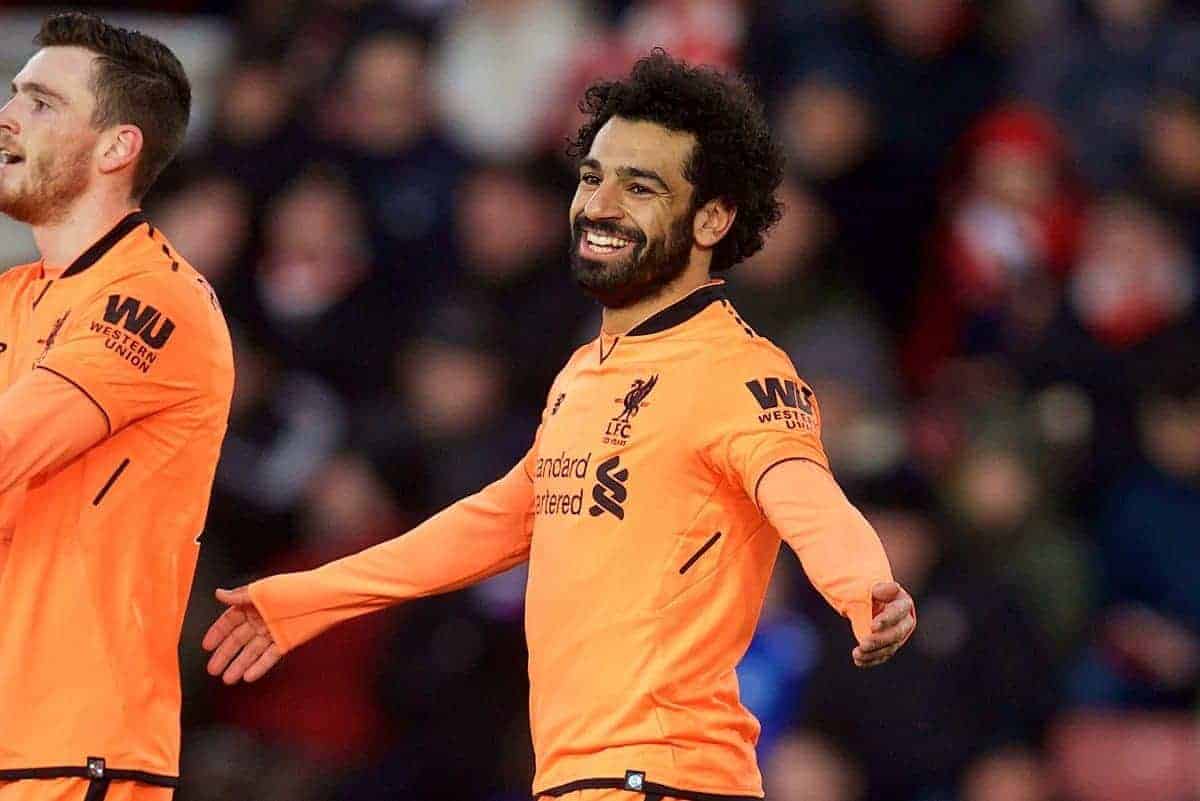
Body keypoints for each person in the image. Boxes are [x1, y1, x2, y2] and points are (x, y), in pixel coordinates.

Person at [204, 51, 915, 801]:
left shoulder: (738, 370)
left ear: (712, 217)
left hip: (663, 776)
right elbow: (491, 521)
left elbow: (805, 490)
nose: (600, 204)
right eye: (592, 177)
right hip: (586, 775)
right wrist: (308, 594)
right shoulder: (584, 373)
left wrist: (863, 584)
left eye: (639, 185)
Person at [0, 13, 234, 801]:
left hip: (69, 750)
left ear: (116, 147)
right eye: (13, 94)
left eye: (41, 102)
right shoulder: (12, 296)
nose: (6, 117)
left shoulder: (155, 299)